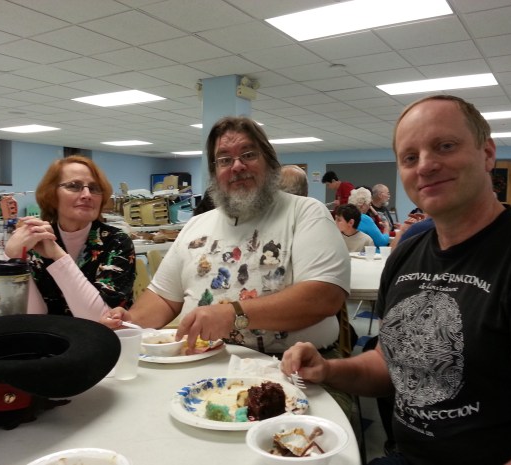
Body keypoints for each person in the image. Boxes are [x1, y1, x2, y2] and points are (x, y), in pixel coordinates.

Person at [281, 95, 511, 465]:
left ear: (487, 153)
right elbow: (388, 364)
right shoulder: (408, 254)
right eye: (410, 157)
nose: (426, 165)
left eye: (445, 146)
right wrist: (328, 368)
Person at [104, 116, 350, 356]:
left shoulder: (305, 213)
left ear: (270, 163)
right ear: (215, 172)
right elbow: (164, 298)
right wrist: (131, 321)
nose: (237, 166)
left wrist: (234, 314)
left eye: (249, 154)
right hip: (207, 363)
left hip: (297, 367)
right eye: (224, 160)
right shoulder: (196, 226)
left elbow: (323, 297)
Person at [4, 155, 136, 320]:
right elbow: (31, 316)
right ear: (52, 195)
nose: (87, 194)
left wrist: (58, 256)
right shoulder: (36, 238)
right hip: (48, 339)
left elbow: (102, 320)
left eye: (94, 188)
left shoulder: (116, 241)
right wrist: (14, 260)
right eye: (74, 186)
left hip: (103, 341)